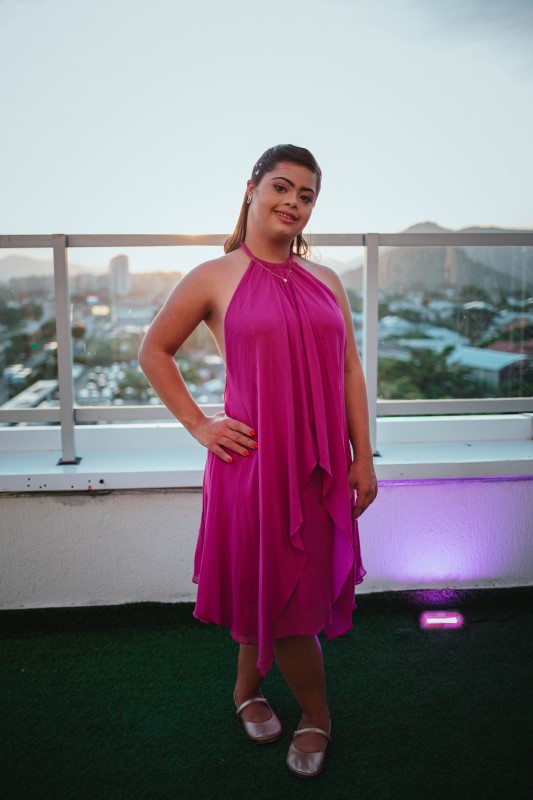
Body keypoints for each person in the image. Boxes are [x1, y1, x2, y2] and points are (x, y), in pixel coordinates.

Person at [138, 144, 377, 779]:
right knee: (279, 594)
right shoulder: (212, 276)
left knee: (283, 587)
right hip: (254, 467)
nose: (292, 202)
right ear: (251, 189)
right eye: (281, 187)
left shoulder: (327, 280)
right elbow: (154, 351)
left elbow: (350, 372)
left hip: (321, 466)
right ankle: (318, 714)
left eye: (306, 195)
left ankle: (246, 690)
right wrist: (201, 425)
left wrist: (363, 457)